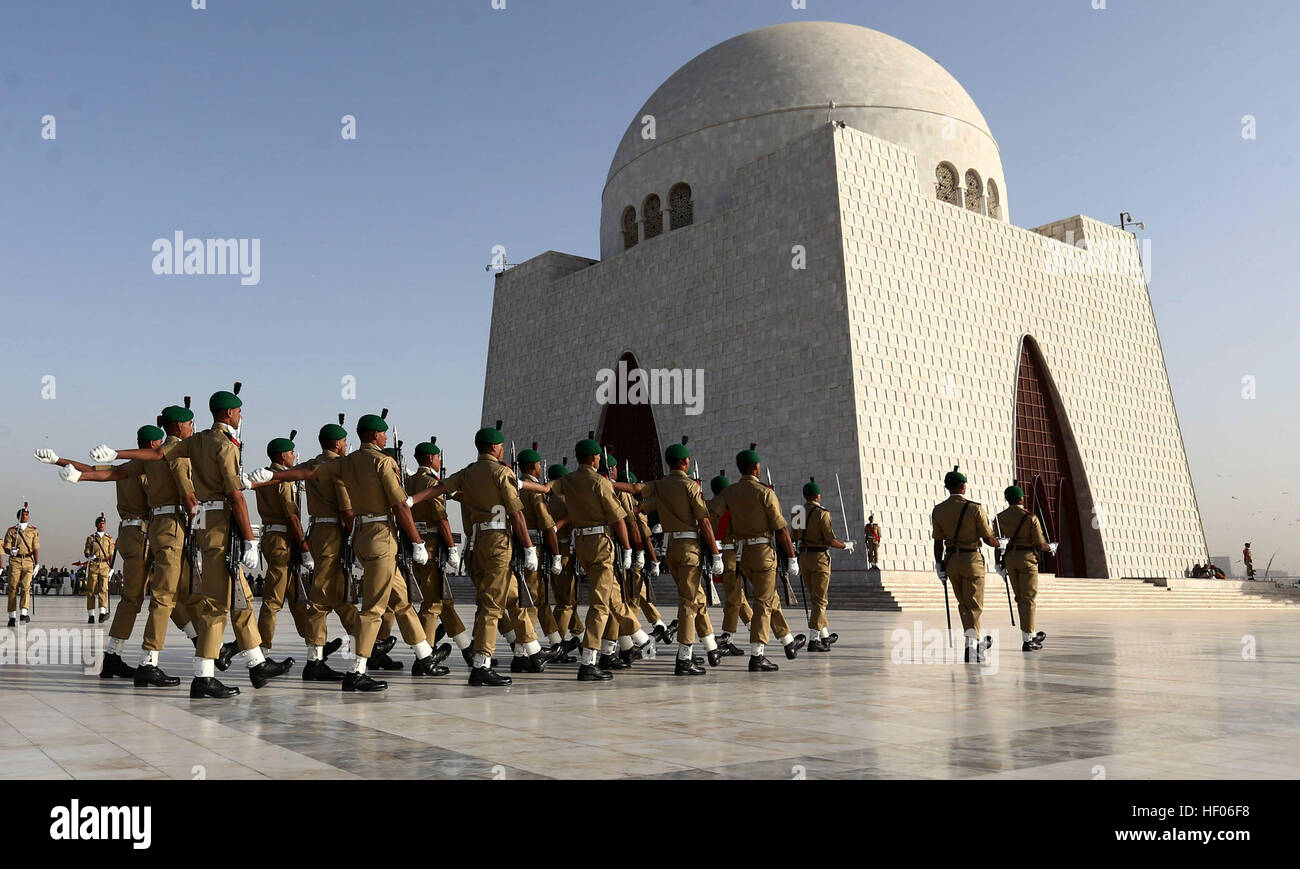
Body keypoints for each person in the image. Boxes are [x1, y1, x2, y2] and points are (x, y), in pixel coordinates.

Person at [91, 389, 293, 697]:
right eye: (239, 412)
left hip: (204, 525)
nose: (241, 416)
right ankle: (205, 676)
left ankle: (255, 662)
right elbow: (234, 495)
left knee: (239, 595)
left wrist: (117, 453)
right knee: (217, 603)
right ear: (228, 414)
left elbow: (159, 453)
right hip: (220, 524)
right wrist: (250, 540)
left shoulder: (195, 442)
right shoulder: (222, 444)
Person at [332, 414, 449, 692]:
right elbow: (399, 506)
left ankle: (425, 657)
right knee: (373, 609)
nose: (386, 439)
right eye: (383, 435)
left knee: (403, 602)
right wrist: (417, 541)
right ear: (375, 436)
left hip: (363, 536)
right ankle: (356, 670)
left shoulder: (347, 462)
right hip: (382, 539)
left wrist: (271, 476)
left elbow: (312, 472)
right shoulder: (383, 462)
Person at [613, 437, 727, 675]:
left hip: (672, 549)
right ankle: (684, 657)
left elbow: (635, 490)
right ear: (685, 462)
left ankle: (711, 647)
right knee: (689, 602)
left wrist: (610, 483)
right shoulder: (691, 487)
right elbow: (704, 521)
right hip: (689, 549)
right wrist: (716, 554)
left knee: (697, 599)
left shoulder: (661, 485)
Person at [536, 437, 633, 681]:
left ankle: (636, 641)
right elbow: (618, 519)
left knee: (611, 596)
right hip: (601, 544)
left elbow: (547, 488)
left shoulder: (568, 480)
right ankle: (589, 661)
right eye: (598, 456)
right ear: (593, 458)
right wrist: (628, 547)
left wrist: (521, 483)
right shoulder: (599, 482)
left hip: (581, 545)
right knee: (600, 604)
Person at [714, 447, 805, 672]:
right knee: (763, 603)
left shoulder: (729, 493)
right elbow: (781, 528)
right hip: (764, 553)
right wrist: (792, 557)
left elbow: (712, 515)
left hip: (743, 556)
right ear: (756, 467)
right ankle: (758, 655)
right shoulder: (765, 493)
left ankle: (788, 642)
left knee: (770, 598)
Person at [931, 466, 999, 663]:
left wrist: (939, 564)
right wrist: (999, 543)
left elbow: (937, 540)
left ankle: (972, 645)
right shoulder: (974, 508)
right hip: (971, 560)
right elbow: (987, 538)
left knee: (963, 605)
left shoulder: (939, 510)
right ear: (963, 486)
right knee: (974, 605)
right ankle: (973, 646)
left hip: (951, 560)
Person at [790, 478, 854, 652]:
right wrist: (846, 545)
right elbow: (830, 540)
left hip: (804, 558)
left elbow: (794, 537)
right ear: (817, 496)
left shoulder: (798, 512)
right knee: (820, 600)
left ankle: (824, 635)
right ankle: (814, 639)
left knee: (816, 599)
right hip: (819, 558)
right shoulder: (822, 513)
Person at [994, 485, 1053, 652]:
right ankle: (1028, 639)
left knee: (1020, 598)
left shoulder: (999, 518)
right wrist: (1051, 547)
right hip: (1027, 559)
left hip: (1010, 560)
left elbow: (997, 542)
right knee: (1028, 599)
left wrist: (998, 563)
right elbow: (1040, 544)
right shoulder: (1030, 517)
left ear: (1007, 499)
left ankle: (1031, 632)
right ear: (1021, 499)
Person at [707, 470, 749, 657]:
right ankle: (726, 636)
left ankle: (753, 627)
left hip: (716, 554)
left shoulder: (709, 507)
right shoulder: (727, 509)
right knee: (734, 598)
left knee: (737, 596)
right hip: (730, 556)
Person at [5, 504, 39, 626]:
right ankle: (12, 616)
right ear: (18, 516)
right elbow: (7, 547)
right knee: (12, 588)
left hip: (28, 561)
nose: (25, 516)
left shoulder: (33, 530)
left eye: (26, 514)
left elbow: (35, 548)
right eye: (23, 515)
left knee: (26, 588)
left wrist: (37, 563)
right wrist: (10, 551)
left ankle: (23, 614)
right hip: (15, 561)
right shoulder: (11, 531)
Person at [82, 514, 115, 624]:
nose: (102, 525)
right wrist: (90, 556)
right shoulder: (91, 538)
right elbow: (86, 552)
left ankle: (102, 613)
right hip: (94, 566)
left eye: (103, 523)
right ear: (96, 525)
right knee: (91, 590)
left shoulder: (109, 539)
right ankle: (91, 615)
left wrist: (112, 568)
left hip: (105, 566)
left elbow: (111, 555)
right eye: (100, 523)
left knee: (103, 590)